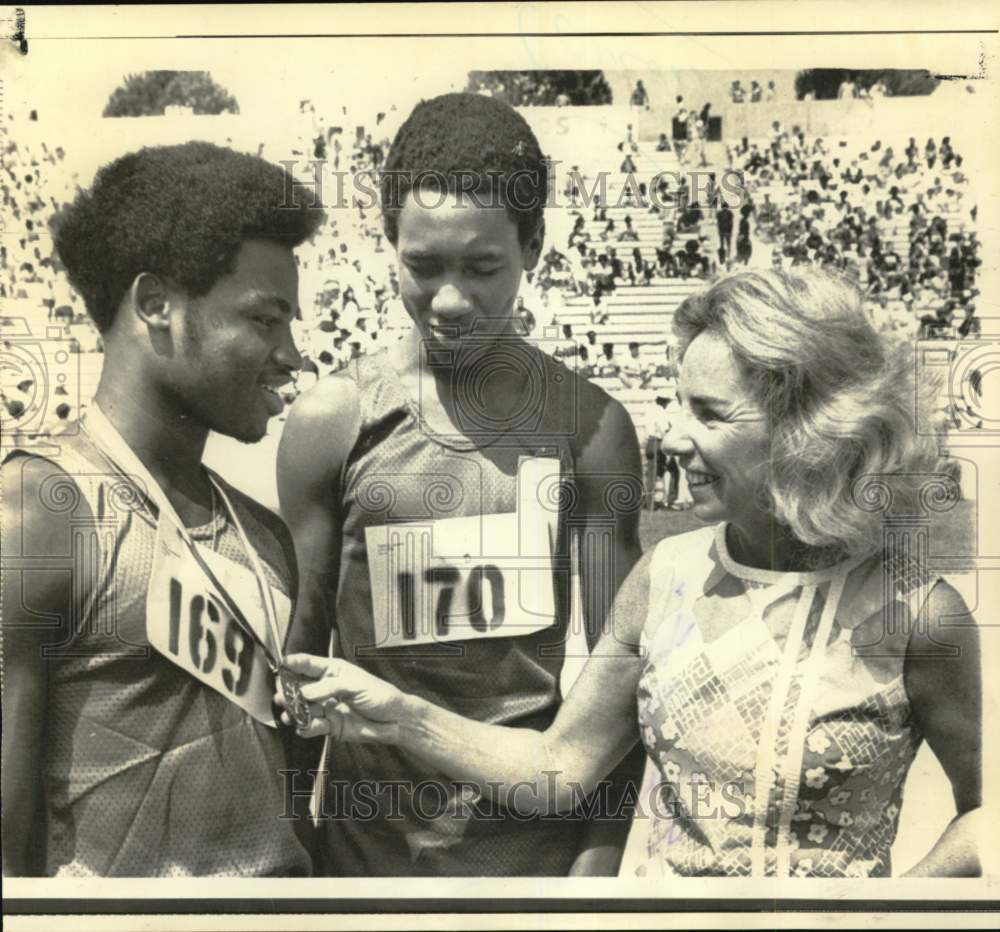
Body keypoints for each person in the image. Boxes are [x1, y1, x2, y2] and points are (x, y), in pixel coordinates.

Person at [281, 268, 983, 879]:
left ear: (810, 428)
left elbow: (987, 815)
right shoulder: (665, 576)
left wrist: (886, 905)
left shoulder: (919, 613)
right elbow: (558, 772)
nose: (675, 438)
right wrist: (400, 716)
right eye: (681, 406)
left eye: (709, 414)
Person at [277, 92, 645, 877]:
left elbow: (622, 685)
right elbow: (299, 668)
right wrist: (298, 852)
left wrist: (594, 869)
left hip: (531, 863)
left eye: (482, 268)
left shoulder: (592, 430)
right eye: (422, 266)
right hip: (364, 861)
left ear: (534, 244)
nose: (449, 300)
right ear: (389, 240)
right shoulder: (332, 421)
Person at [1, 142, 324, 876]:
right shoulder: (39, 514)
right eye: (265, 321)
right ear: (156, 306)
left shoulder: (262, 533)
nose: (293, 354)